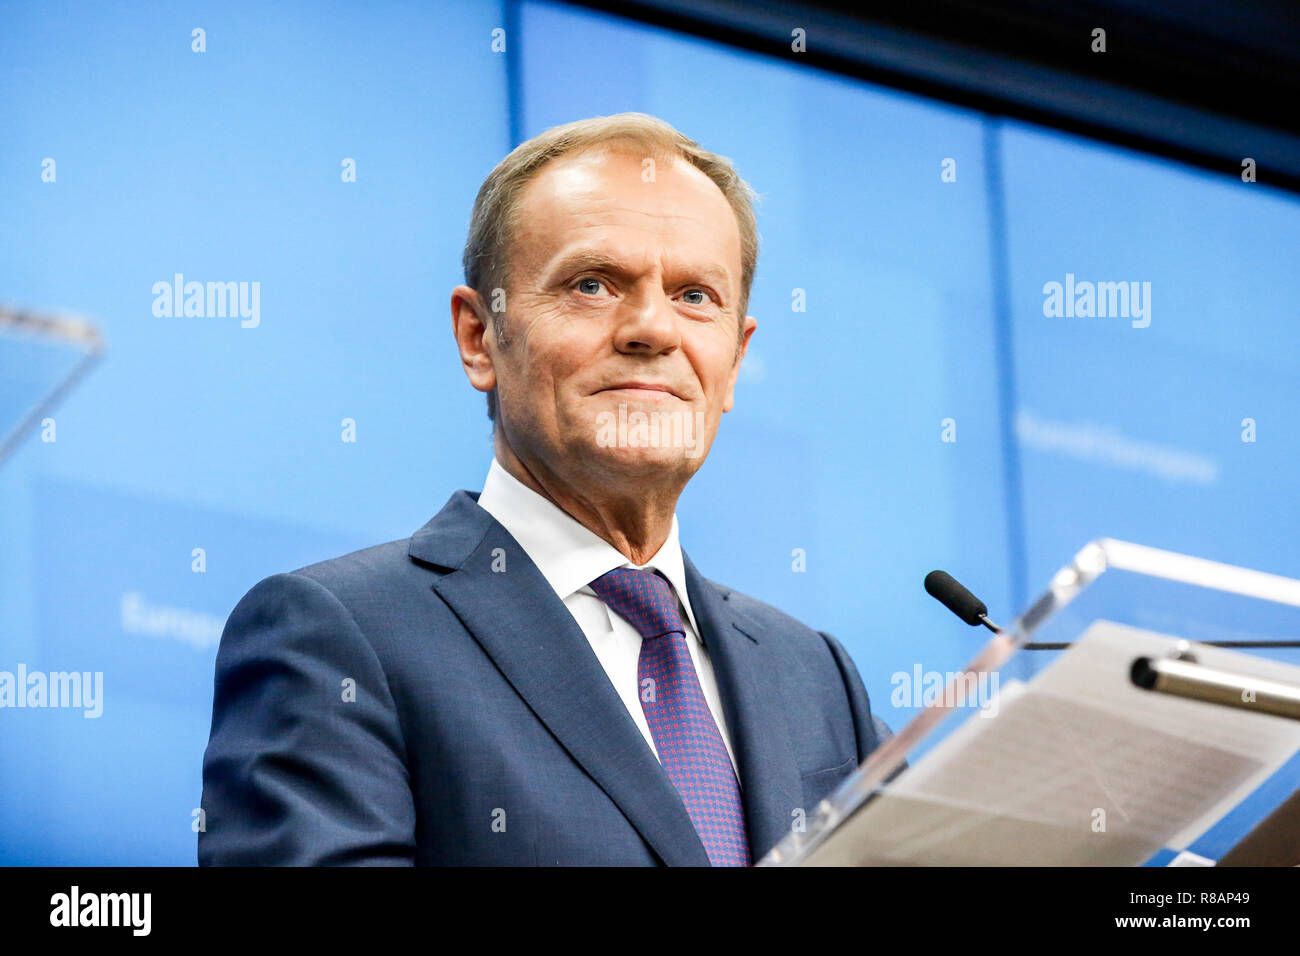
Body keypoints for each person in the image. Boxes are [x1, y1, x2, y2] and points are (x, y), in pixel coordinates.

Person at [199, 112, 893, 866]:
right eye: (592, 285)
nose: (653, 329)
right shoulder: (340, 635)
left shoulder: (816, 677)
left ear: (733, 358)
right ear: (479, 337)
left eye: (696, 296)